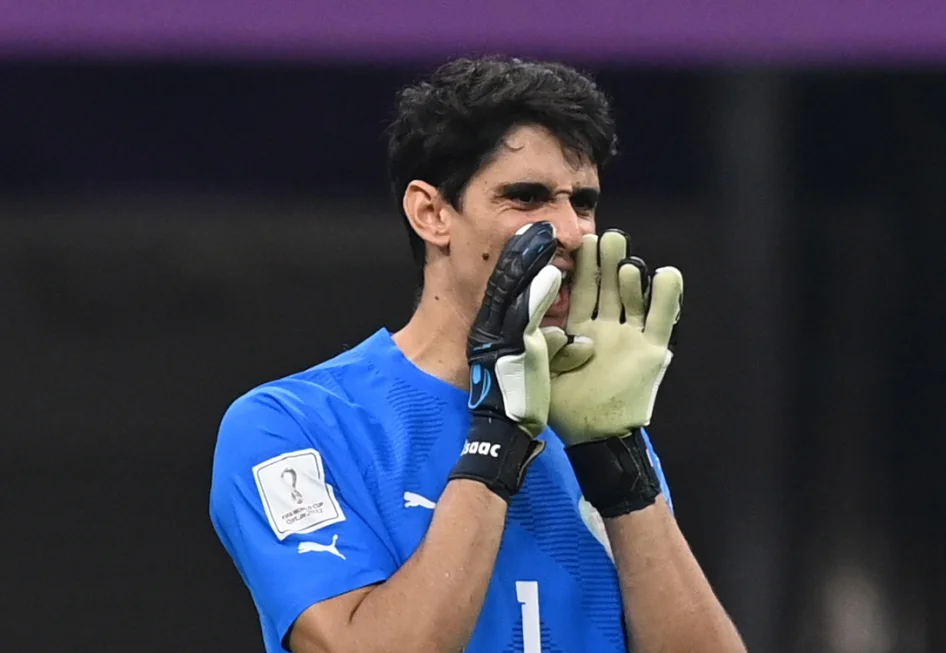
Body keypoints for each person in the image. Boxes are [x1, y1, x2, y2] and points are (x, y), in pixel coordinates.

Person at [209, 56, 747, 653]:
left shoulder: (590, 422)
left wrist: (623, 468)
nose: (573, 233)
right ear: (432, 214)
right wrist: (497, 435)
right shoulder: (291, 426)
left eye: (583, 202)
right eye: (527, 197)